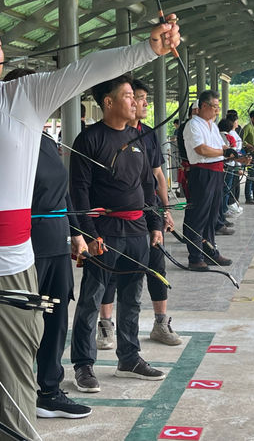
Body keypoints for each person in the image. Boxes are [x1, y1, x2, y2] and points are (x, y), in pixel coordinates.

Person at [0, 10, 180, 440]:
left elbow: (85, 69)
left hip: (13, 269)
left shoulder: (24, 94)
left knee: (17, 382)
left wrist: (146, 49)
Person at [0, 69, 91, 440]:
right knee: (15, 327)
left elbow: (63, 191)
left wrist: (76, 232)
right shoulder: (1, 134)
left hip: (55, 241)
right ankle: (0, 407)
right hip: (20, 246)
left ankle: (47, 390)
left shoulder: (44, 136)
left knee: (55, 318)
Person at [70, 75, 166, 393]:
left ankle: (129, 358)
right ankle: (84, 365)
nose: (135, 101)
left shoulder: (138, 137)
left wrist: (154, 225)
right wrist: (88, 233)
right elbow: (79, 191)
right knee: (92, 298)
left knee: (132, 298)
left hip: (138, 229)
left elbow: (147, 186)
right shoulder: (90, 139)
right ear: (108, 102)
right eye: (127, 96)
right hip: (105, 233)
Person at [97, 79, 181, 350]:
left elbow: (155, 177)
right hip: (114, 223)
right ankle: (106, 326)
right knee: (110, 272)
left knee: (155, 266)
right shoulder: (100, 137)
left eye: (142, 98)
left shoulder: (147, 133)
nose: (141, 103)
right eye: (135, 97)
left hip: (146, 216)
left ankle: (160, 323)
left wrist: (163, 211)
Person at [182, 90, 235, 270]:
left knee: (213, 216)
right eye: (214, 107)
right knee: (199, 217)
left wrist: (236, 155)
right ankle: (195, 257)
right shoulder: (193, 124)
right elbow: (202, 150)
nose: (217, 111)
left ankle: (210, 252)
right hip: (202, 173)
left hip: (216, 171)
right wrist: (224, 152)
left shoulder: (211, 125)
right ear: (203, 106)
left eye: (218, 107)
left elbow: (221, 146)